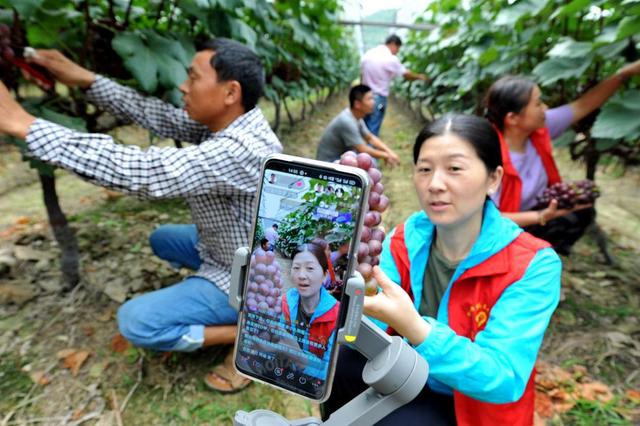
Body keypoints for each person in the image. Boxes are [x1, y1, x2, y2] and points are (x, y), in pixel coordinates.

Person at [0, 38, 282, 392]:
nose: (183, 85)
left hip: (245, 275)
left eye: (193, 78)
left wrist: (26, 125)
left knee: (137, 322)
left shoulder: (243, 150)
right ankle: (219, 303)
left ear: (230, 93)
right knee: (161, 238)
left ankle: (255, 331)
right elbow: (157, 116)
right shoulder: (231, 122)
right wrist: (86, 79)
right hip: (233, 248)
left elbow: (144, 172)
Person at [323, 114, 562, 425]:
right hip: (407, 374)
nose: (435, 184)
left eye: (455, 168)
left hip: (470, 405)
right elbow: (369, 320)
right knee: (339, 365)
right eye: (425, 169)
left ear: (493, 178)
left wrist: (416, 329)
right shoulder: (408, 236)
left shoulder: (533, 263)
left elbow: (504, 376)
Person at [485, 59, 640, 255]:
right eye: (538, 103)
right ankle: (517, 260)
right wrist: (540, 216)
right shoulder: (488, 155)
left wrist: (624, 73)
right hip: (498, 230)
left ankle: (539, 256)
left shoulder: (539, 129)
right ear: (513, 118)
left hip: (533, 216)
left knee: (581, 211)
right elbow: (485, 220)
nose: (546, 108)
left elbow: (584, 105)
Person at [281, 242, 340, 380]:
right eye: (296, 268)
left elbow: (329, 373)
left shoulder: (338, 317)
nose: (301, 275)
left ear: (325, 275)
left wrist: (297, 355)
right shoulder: (285, 303)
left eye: (310, 268)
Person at [360, 34, 428, 136]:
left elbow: (361, 75)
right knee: (372, 130)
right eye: (397, 48)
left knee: (363, 128)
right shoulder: (390, 59)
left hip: (363, 96)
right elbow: (406, 75)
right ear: (393, 44)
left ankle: (359, 150)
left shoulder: (367, 55)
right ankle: (368, 150)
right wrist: (420, 77)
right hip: (378, 98)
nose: (397, 52)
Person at [316, 84, 400, 165]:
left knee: (370, 162)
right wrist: (386, 156)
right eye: (370, 99)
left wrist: (389, 152)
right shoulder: (347, 121)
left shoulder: (356, 117)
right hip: (329, 164)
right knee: (370, 162)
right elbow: (363, 149)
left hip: (341, 158)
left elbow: (370, 138)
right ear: (357, 104)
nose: (373, 102)